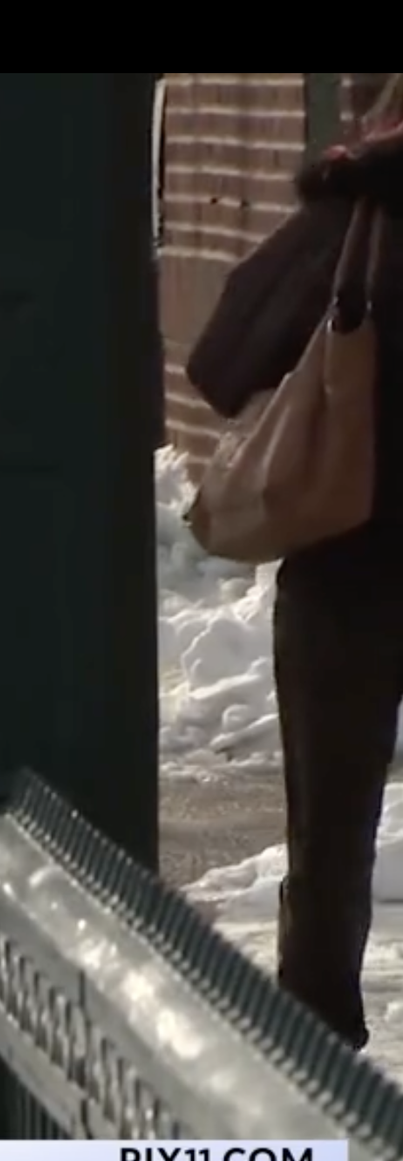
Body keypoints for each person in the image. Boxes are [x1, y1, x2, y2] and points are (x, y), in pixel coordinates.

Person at [186, 79, 403, 1052]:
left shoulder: (356, 213)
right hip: (346, 576)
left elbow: (220, 361)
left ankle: (318, 1059)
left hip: (346, 570)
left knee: (332, 838)